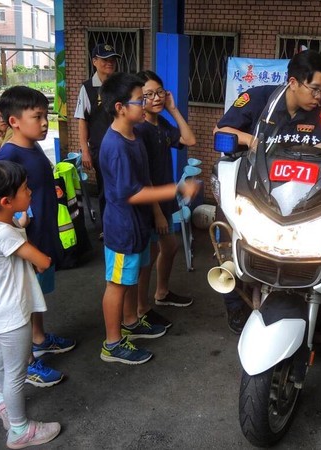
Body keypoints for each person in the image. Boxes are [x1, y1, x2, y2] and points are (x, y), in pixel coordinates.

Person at [214, 49, 321, 333]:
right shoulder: (258, 98)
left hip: (288, 196)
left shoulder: (318, 115)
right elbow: (220, 131)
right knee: (229, 248)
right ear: (293, 83)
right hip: (246, 190)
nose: (319, 97)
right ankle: (235, 306)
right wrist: (251, 141)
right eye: (315, 89)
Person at [98, 72, 199, 364]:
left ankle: (130, 322)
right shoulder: (116, 145)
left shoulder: (132, 135)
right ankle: (112, 344)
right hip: (122, 227)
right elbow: (131, 193)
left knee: (130, 278)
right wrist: (177, 188)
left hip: (137, 224)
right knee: (116, 283)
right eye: (140, 99)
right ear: (120, 107)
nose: (145, 104)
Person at [0, 160, 61, 449]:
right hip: (14, 315)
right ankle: (19, 430)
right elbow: (43, 262)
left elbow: (14, 232)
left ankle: (1, 401)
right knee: (17, 372)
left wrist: (22, 221)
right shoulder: (5, 234)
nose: (30, 191)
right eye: (25, 189)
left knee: (3, 364)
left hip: (2, 312)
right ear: (7, 201)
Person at [0, 86, 75, 386]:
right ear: (14, 121)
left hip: (44, 233)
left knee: (37, 294)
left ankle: (39, 339)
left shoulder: (34, 146)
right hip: (26, 241)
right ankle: (27, 363)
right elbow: (0, 202)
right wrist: (19, 221)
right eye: (37, 116)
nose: (44, 123)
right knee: (25, 300)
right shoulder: (8, 154)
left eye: (46, 116)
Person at [135, 70, 197, 328]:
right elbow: (142, 176)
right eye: (148, 95)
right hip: (151, 201)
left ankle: (161, 293)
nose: (156, 98)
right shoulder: (139, 130)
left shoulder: (160, 124)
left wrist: (173, 109)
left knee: (169, 247)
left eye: (159, 92)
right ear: (139, 98)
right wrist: (158, 212)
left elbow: (189, 139)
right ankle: (141, 308)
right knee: (147, 257)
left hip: (164, 195)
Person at [74, 43, 121, 238]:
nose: (109, 63)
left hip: (123, 146)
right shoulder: (87, 88)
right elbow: (82, 121)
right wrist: (85, 150)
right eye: (105, 59)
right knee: (105, 188)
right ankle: (106, 227)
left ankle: (122, 224)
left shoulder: (121, 85)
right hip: (101, 148)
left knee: (123, 186)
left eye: (112, 59)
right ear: (94, 62)